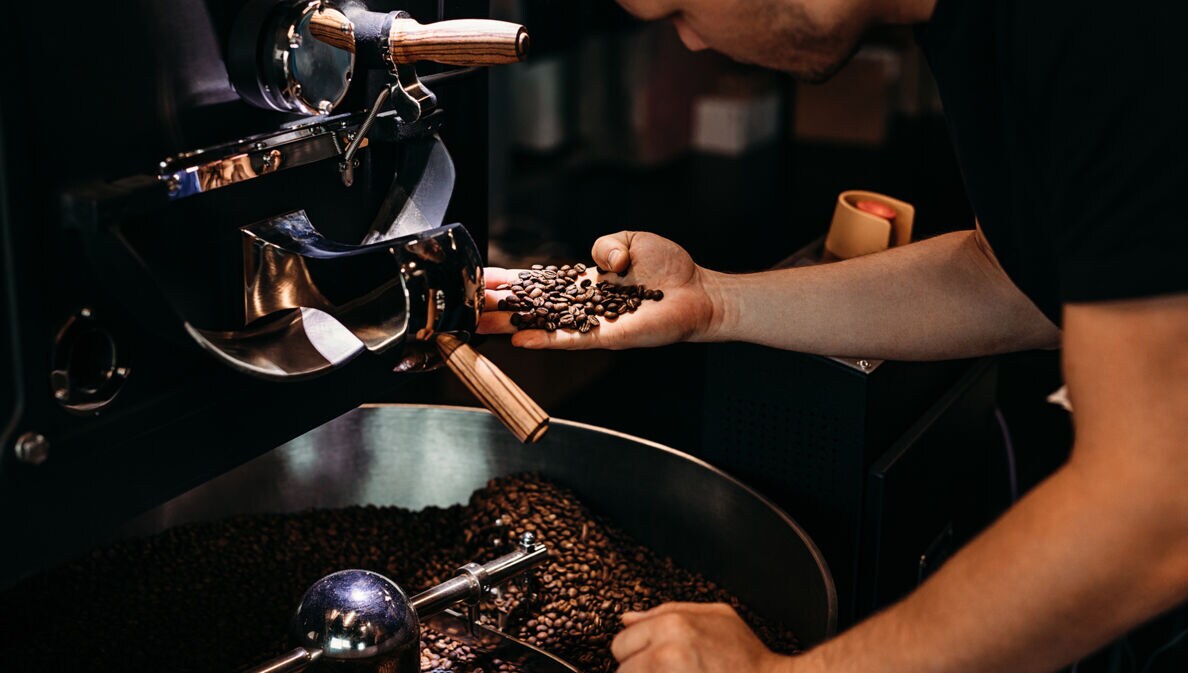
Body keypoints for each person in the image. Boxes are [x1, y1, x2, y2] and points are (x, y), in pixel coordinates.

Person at [480, 0, 1188, 671]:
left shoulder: (1098, 22)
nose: (689, 40)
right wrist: (715, 302)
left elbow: (1153, 506)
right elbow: (1021, 281)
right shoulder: (975, 28)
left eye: (679, 8)